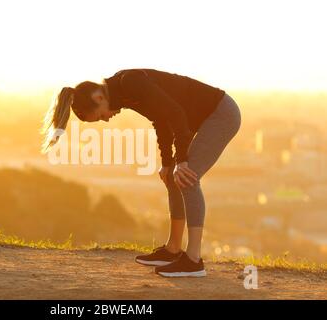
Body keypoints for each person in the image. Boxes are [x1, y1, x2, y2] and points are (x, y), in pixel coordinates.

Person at [41, 68, 241, 278]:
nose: (107, 119)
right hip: (195, 118)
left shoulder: (131, 83)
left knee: (187, 177)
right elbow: (161, 119)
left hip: (220, 114)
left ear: (98, 97)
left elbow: (175, 114)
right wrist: (167, 163)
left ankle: (193, 261)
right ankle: (173, 249)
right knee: (173, 177)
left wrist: (181, 161)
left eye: (101, 115)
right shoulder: (125, 91)